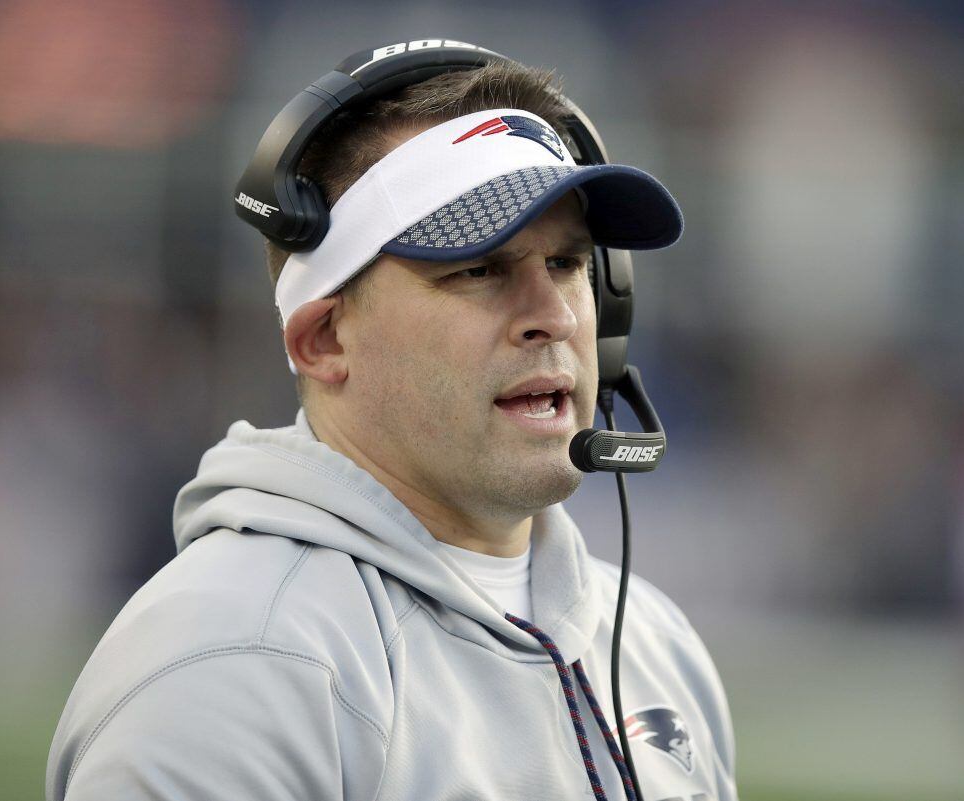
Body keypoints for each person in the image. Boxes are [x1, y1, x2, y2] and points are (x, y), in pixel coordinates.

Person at [46, 46, 737, 801]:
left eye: (568, 264)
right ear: (324, 340)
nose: (556, 316)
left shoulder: (654, 647)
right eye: (479, 269)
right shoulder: (236, 665)